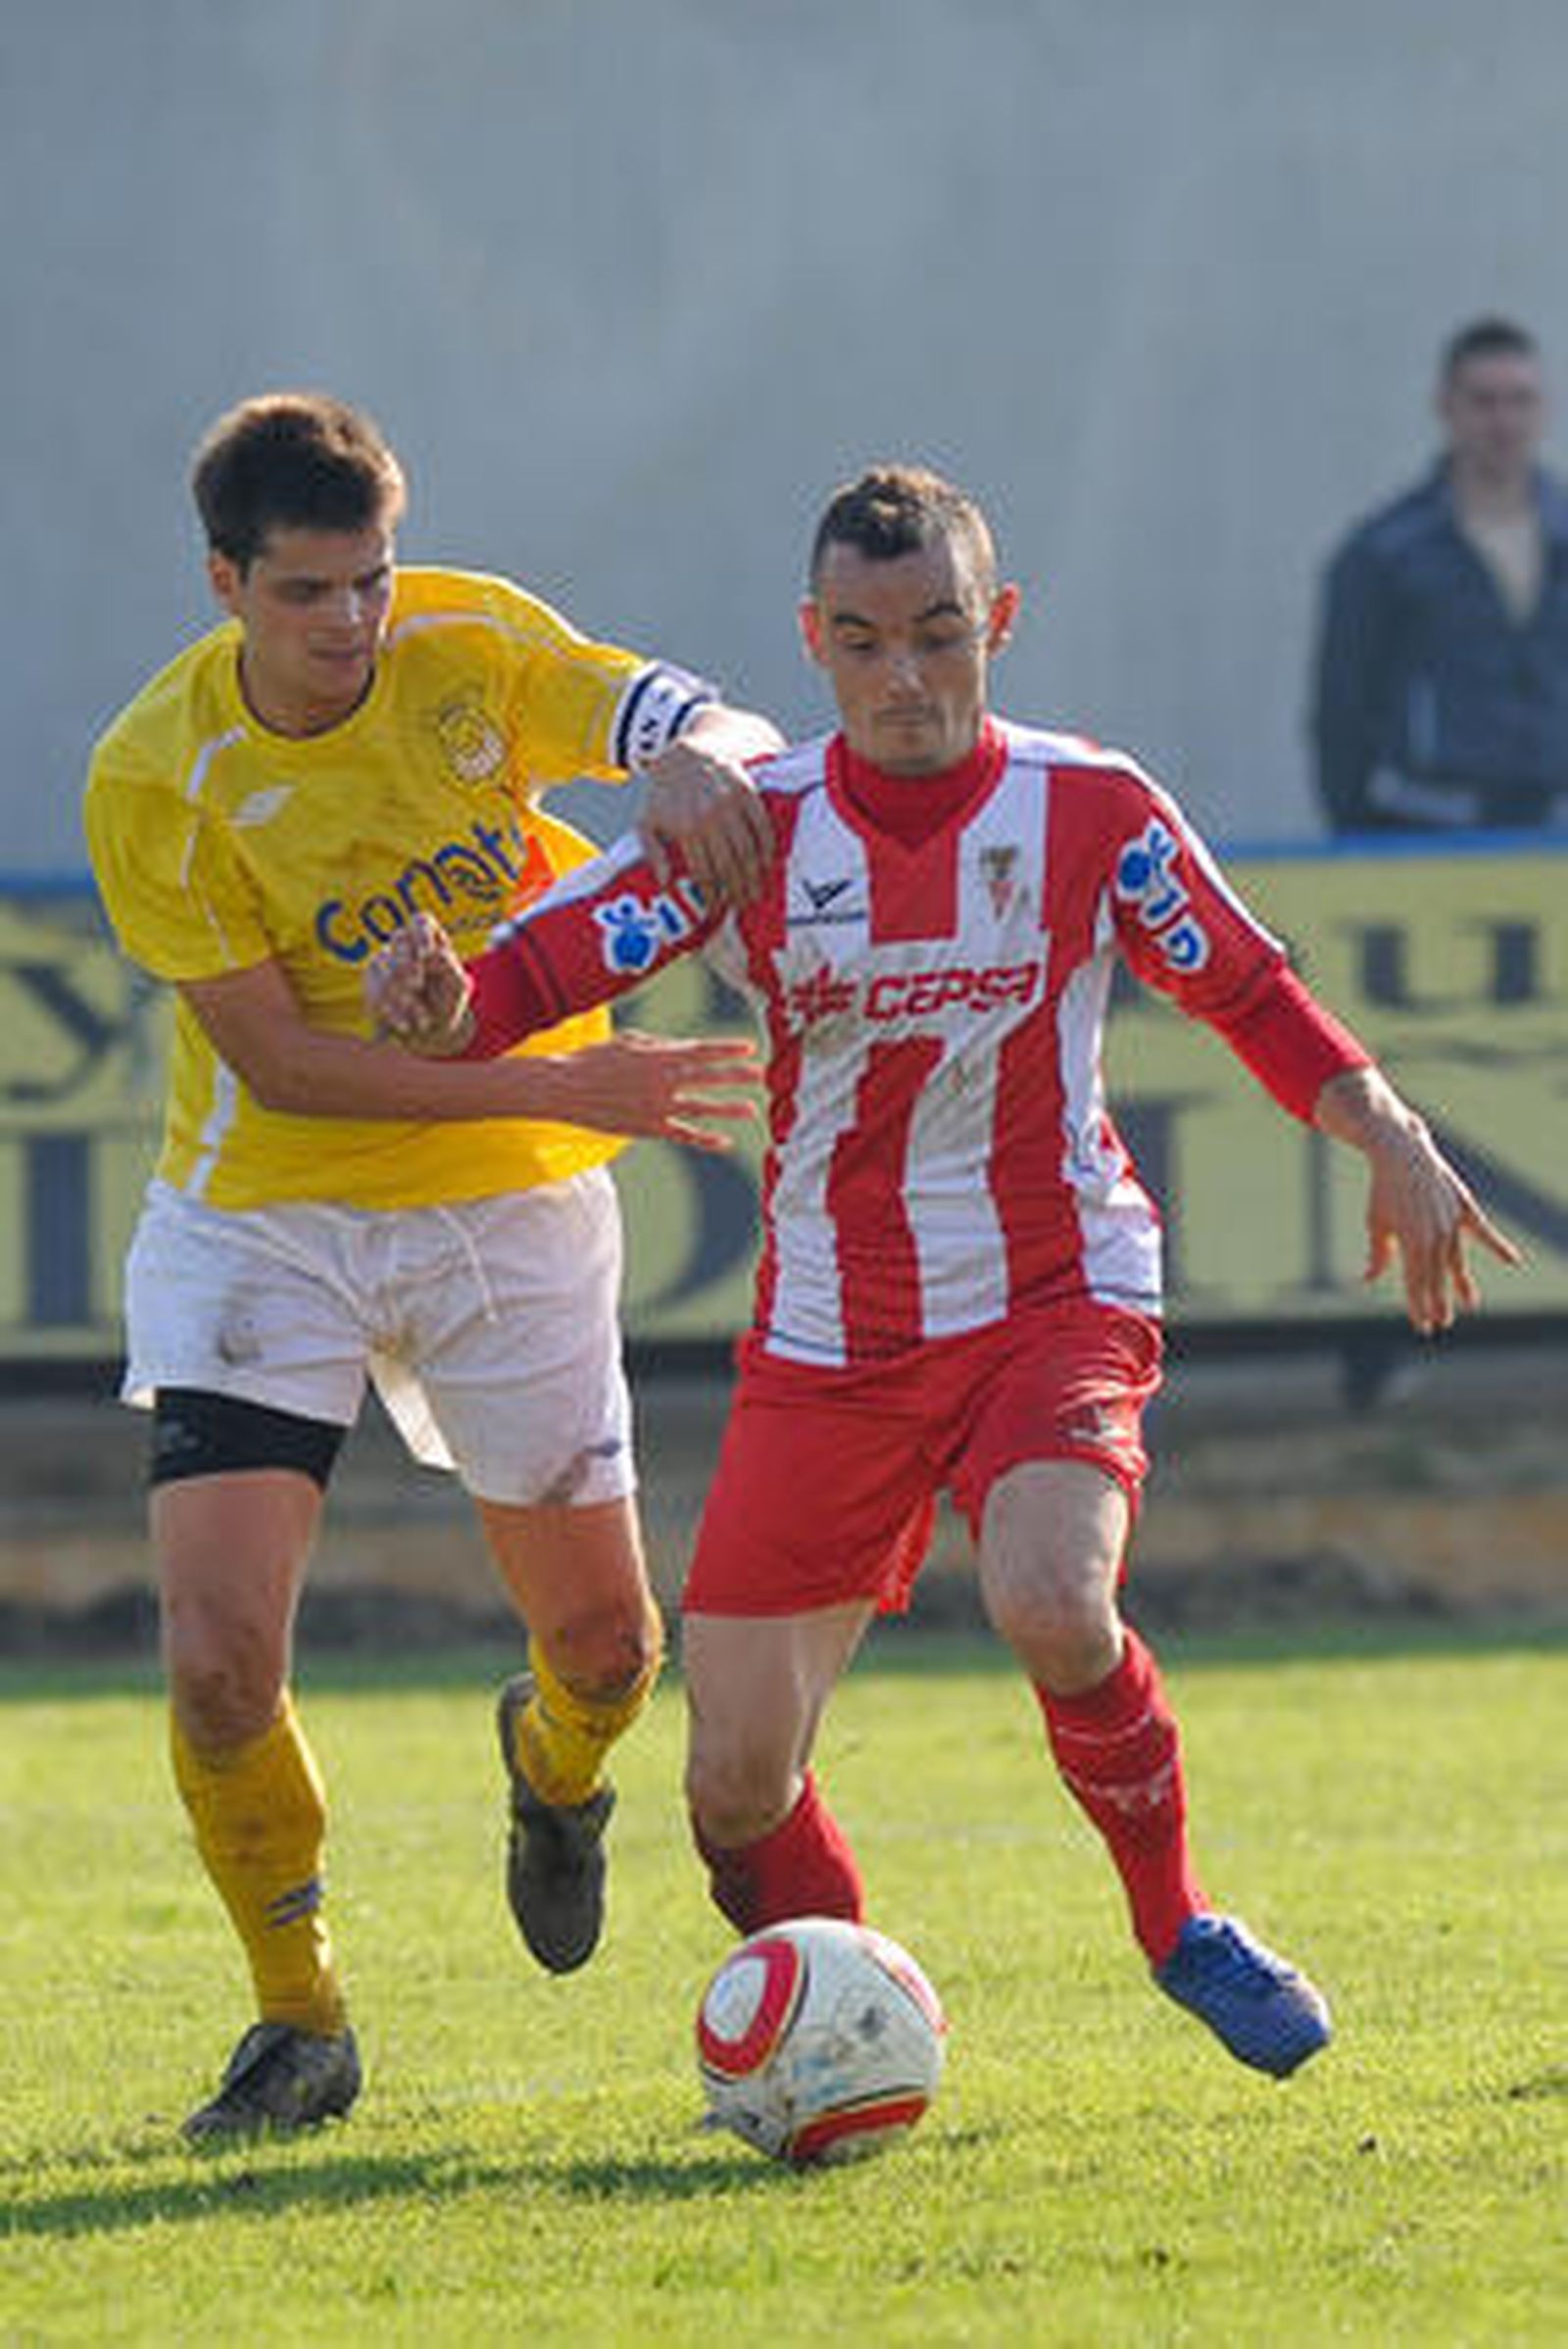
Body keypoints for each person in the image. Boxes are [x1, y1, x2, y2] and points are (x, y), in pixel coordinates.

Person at [370, 465, 1519, 2081]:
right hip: (832, 1337)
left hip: (1054, 1290)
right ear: (814, 642)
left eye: (938, 636)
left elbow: (1247, 987)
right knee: (732, 1792)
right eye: (863, 642)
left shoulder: (1088, 806)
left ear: (1000, 624)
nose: (903, 677)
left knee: (1053, 1592)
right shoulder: (751, 826)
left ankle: (1179, 1920)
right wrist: (441, 1004)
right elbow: (548, 965)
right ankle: (859, 2040)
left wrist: (1387, 1126)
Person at [82, 390, 780, 2145]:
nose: (352, 624)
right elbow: (286, 1067)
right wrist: (578, 1077)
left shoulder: (468, 648)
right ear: (225, 582)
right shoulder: (156, 778)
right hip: (269, 1214)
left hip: (509, 1209)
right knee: (220, 1660)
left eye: (371, 581)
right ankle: (299, 2021)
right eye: (309, 591)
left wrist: (698, 738)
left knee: (615, 1654)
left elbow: (671, 709)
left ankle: (550, 1776)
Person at [1312, 317, 1568, 833]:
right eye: (1485, 401)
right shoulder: (1386, 553)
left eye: (1521, 400)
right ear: (1446, 406)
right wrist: (1361, 838)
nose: (1505, 421)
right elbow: (1341, 713)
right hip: (1432, 828)